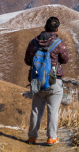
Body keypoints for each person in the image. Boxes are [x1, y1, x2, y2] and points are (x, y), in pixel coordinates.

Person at [23, 16, 70, 145]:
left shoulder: (33, 42)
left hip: (38, 80)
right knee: (53, 111)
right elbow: (65, 59)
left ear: (44, 27)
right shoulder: (59, 43)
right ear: (57, 29)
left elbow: (27, 60)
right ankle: (51, 137)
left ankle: (32, 137)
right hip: (54, 80)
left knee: (36, 110)